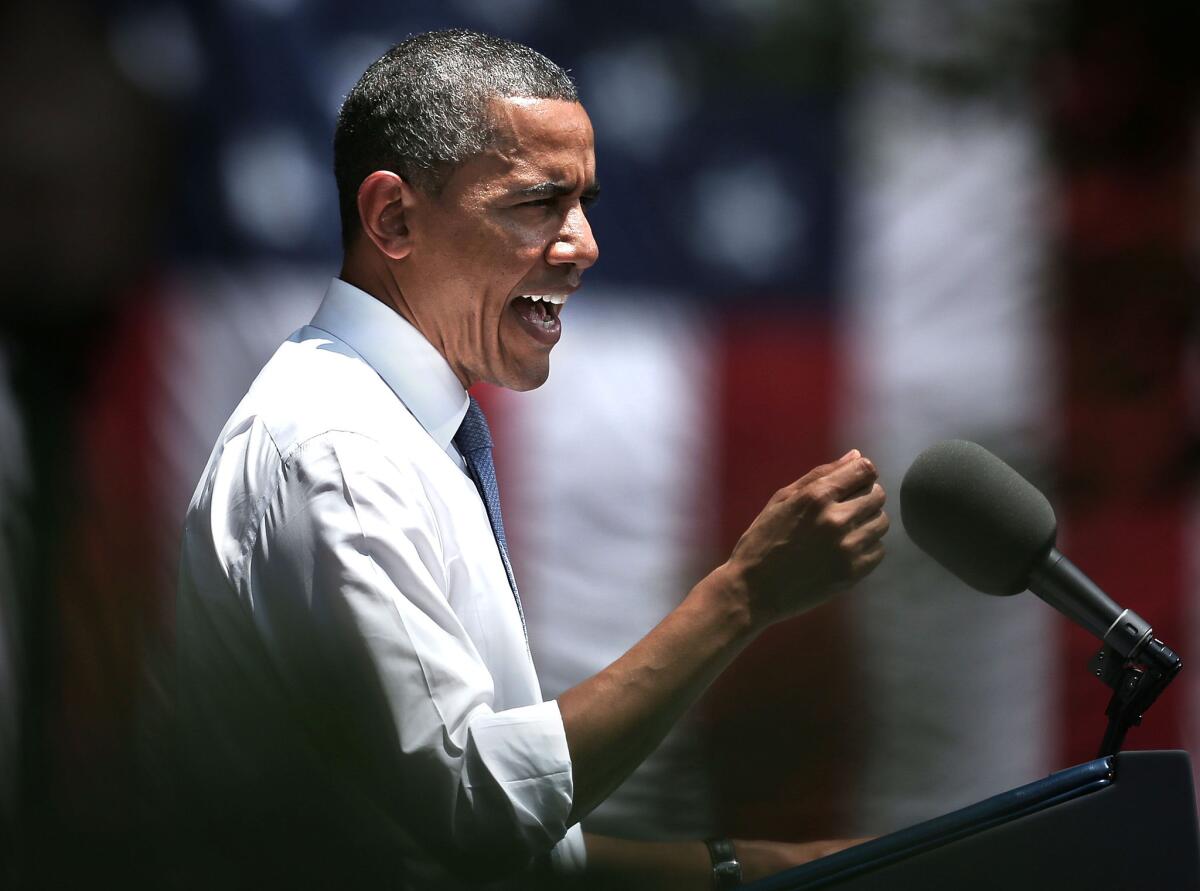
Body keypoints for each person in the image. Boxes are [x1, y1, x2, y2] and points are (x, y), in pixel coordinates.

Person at [175, 29, 889, 890]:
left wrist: (752, 868)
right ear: (393, 217)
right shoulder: (339, 454)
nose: (583, 244)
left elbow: (485, 847)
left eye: (583, 201)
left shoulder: (394, 432)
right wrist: (741, 594)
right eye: (536, 204)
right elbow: (475, 814)